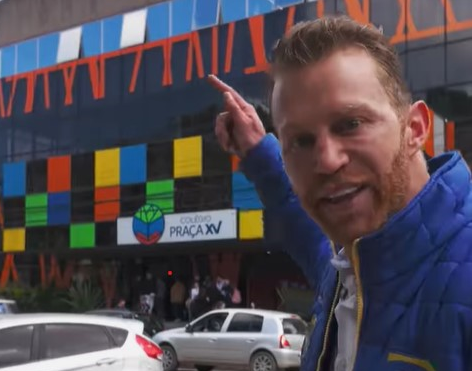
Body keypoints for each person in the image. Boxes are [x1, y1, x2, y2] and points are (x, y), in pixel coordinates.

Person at [208, 16, 472, 371]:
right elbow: (301, 224)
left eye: (350, 124)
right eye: (300, 141)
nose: (327, 162)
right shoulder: (349, 268)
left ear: (415, 129)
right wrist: (257, 152)